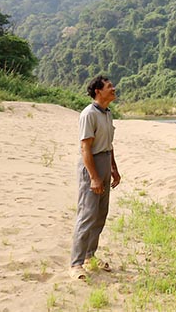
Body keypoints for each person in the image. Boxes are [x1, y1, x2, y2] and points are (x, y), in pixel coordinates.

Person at [69, 75, 121, 280]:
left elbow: (109, 144)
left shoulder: (107, 113)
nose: (113, 88)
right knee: (87, 214)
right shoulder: (88, 114)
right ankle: (76, 263)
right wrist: (94, 177)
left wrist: (114, 169)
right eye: (109, 86)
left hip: (105, 163)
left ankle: (90, 255)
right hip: (92, 165)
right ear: (98, 91)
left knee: (101, 213)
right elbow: (85, 148)